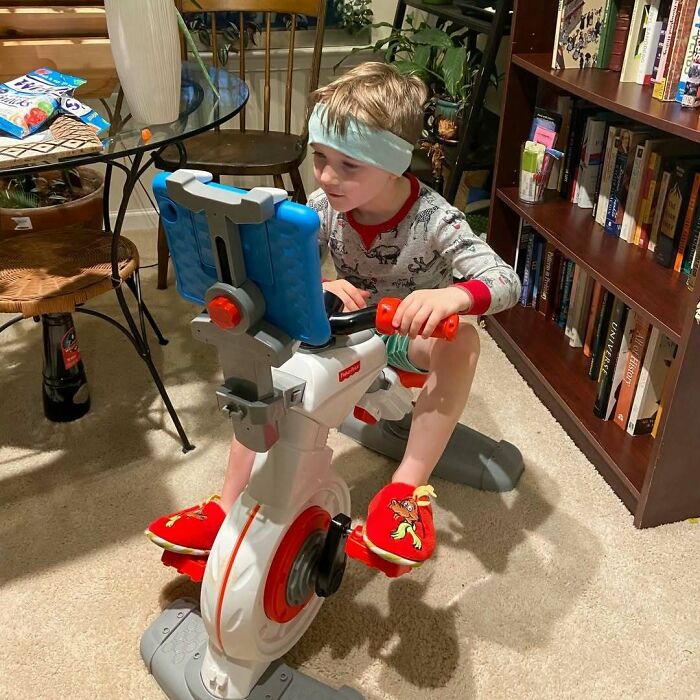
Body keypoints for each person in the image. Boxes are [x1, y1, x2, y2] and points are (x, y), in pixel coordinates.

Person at [145, 62, 521, 568]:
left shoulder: (435, 219)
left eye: (349, 165)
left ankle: (406, 490)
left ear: (393, 165)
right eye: (320, 158)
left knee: (465, 343)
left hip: (405, 334)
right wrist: (322, 284)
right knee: (261, 363)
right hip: (342, 327)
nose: (326, 177)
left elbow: (505, 280)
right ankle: (228, 503)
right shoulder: (324, 206)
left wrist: (452, 298)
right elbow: (284, 271)